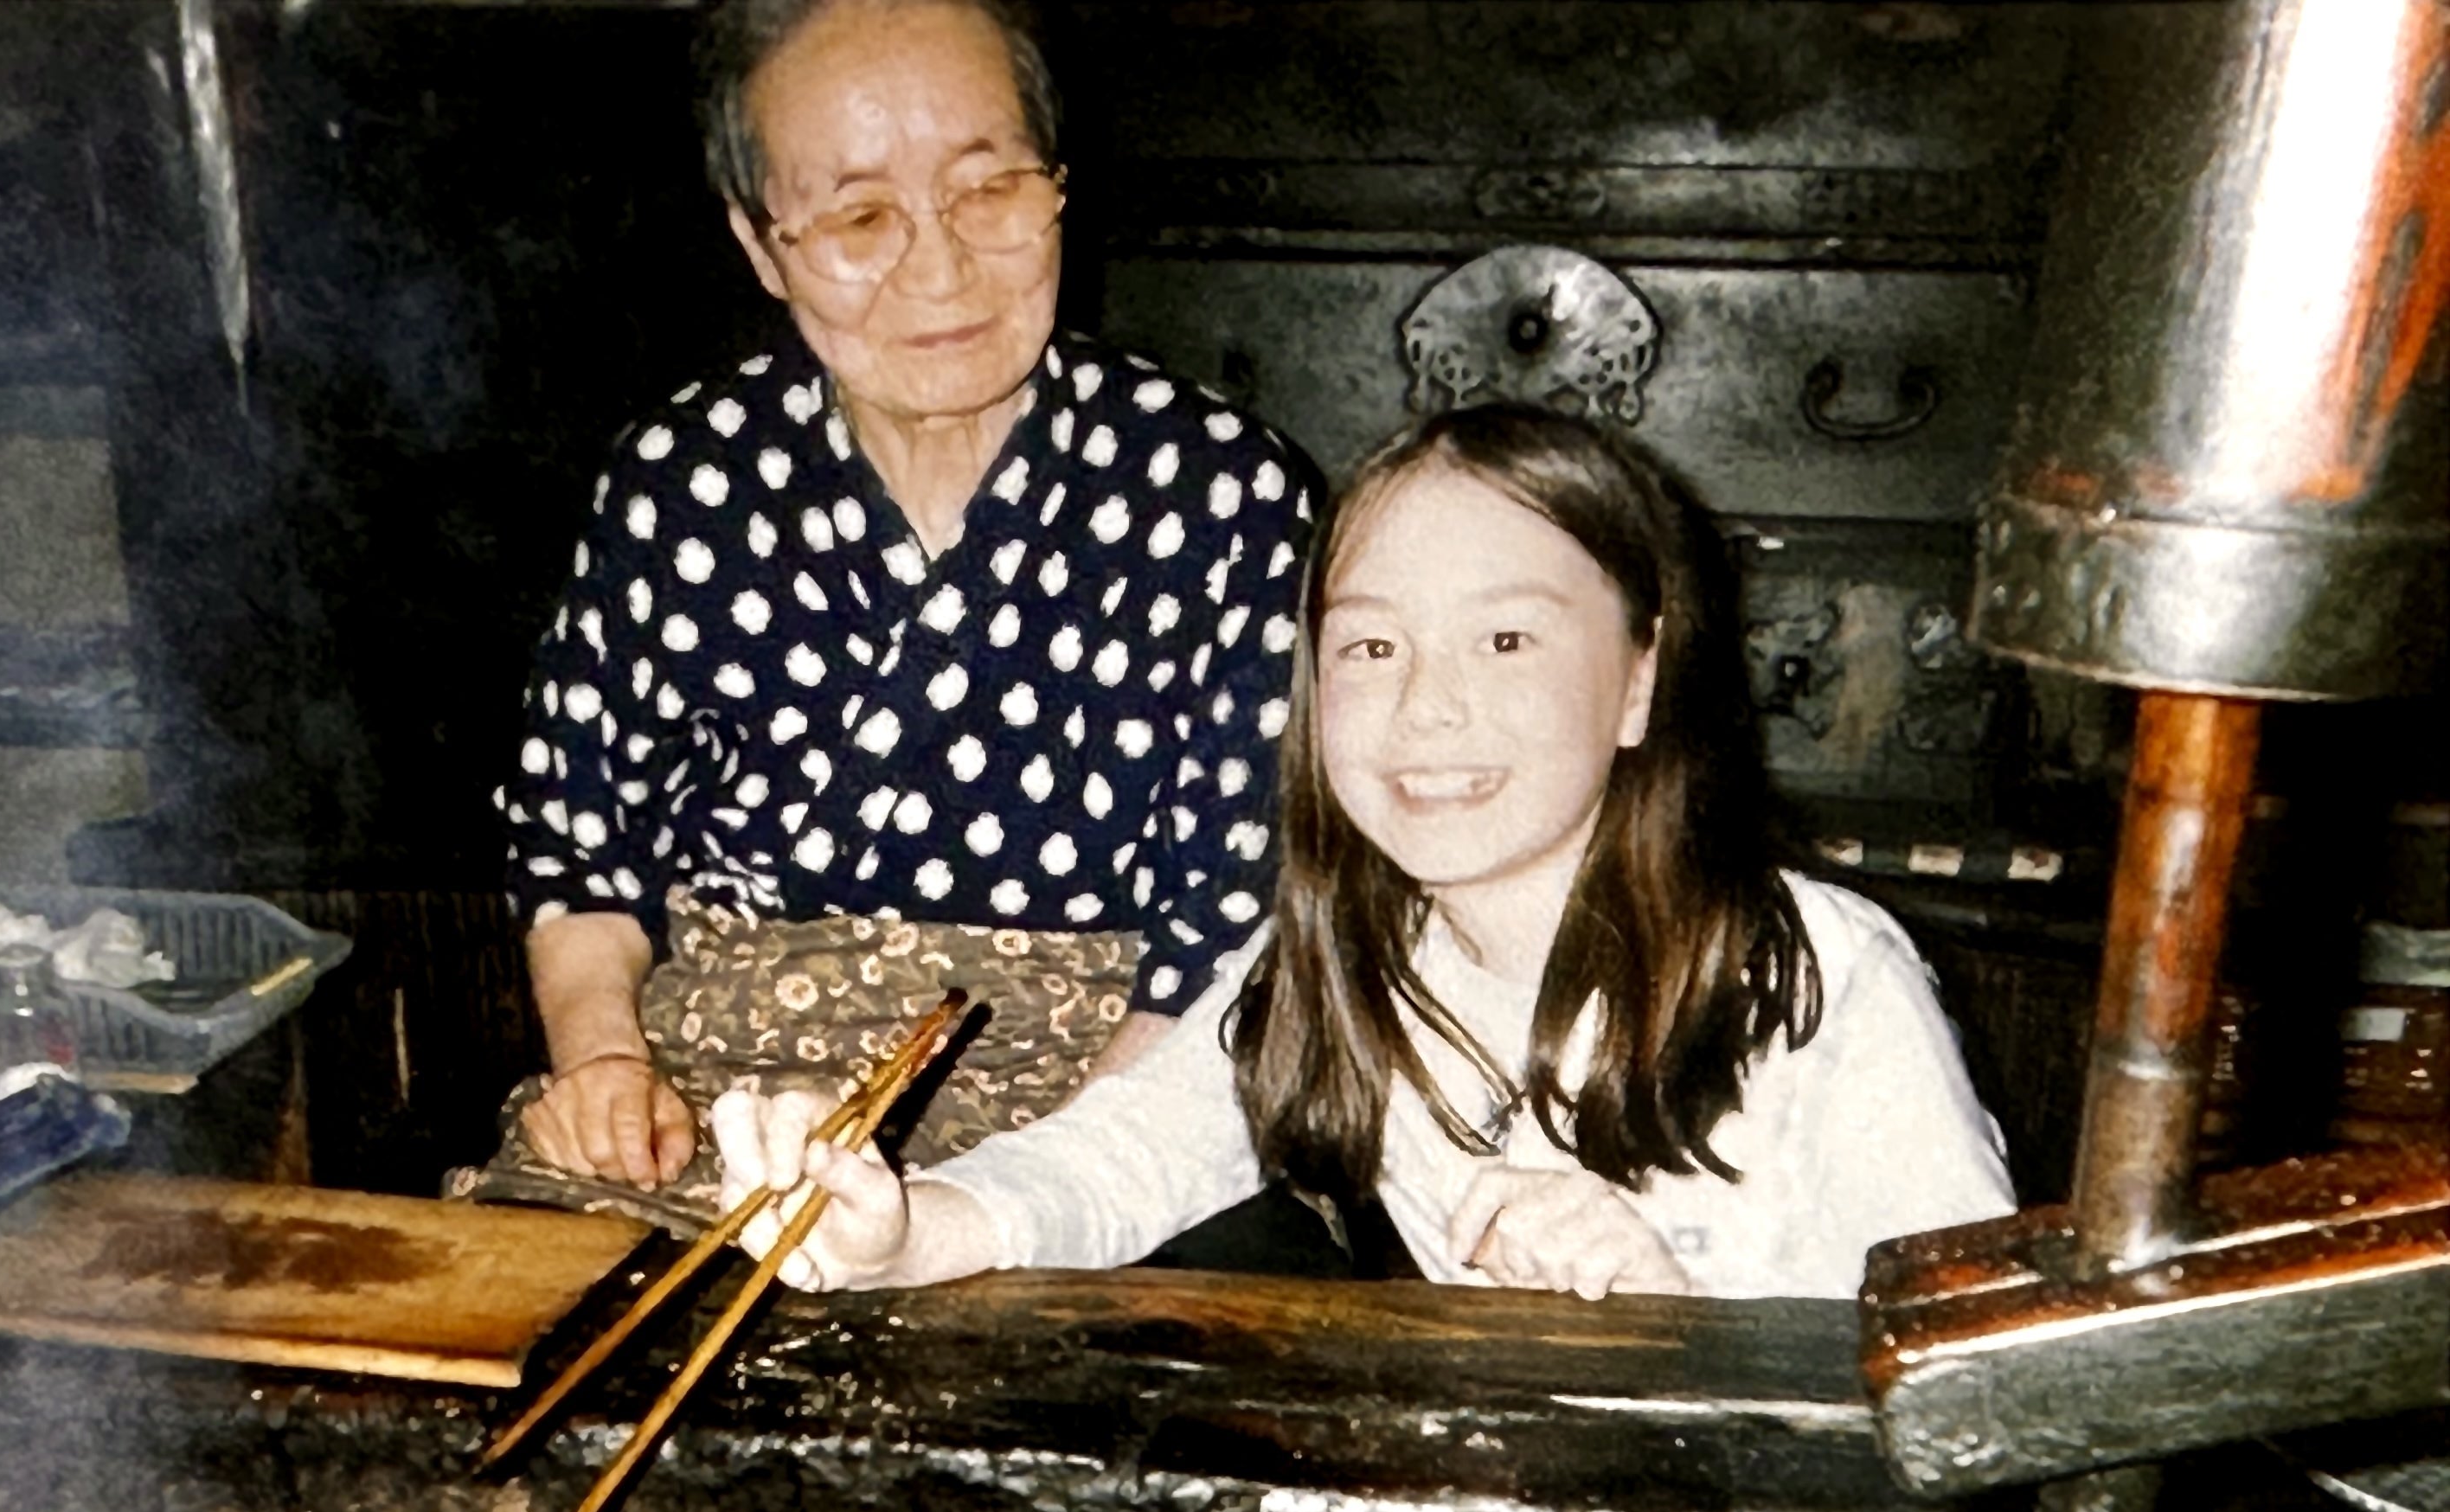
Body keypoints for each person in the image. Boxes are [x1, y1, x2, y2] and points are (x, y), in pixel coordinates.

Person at [710, 403, 2016, 1297]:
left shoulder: (1818, 975)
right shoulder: (1350, 959)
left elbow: (1979, 1397)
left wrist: (1668, 1315)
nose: (1426, 708)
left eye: (1505, 641)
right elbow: (1123, 1155)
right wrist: (897, 1231)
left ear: (1638, 679)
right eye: (1372, 646)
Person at [490, 0, 1320, 1231]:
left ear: (1059, 186)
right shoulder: (685, 479)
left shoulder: (1222, 495)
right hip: (722, 1102)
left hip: (1100, 1119)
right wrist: (607, 1066)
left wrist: (1025, 1197)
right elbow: (582, 840)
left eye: (990, 191)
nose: (939, 271)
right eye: (860, 219)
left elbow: (1227, 937)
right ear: (761, 245)